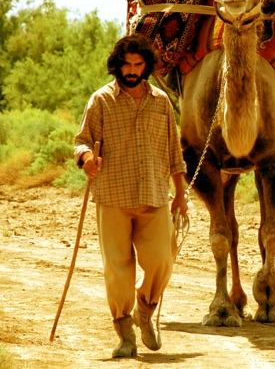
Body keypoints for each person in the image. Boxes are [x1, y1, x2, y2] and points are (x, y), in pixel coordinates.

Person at [74, 34, 187, 358]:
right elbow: (81, 141)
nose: (133, 70)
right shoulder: (101, 100)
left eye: (139, 65)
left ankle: (145, 311)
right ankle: (125, 334)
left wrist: (180, 194)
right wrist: (87, 160)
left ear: (146, 67)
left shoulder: (161, 102)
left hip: (154, 195)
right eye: (127, 65)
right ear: (118, 66)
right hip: (112, 197)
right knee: (118, 268)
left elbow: (173, 153)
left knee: (162, 261)